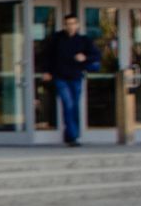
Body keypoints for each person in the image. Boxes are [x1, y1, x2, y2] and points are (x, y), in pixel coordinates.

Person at [39, 13, 98, 146]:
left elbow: (96, 55)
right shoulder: (57, 39)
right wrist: (47, 71)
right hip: (60, 77)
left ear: (77, 25)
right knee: (68, 105)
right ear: (64, 25)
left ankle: (70, 134)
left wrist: (85, 58)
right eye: (68, 24)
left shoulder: (84, 40)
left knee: (74, 106)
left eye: (73, 23)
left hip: (76, 77)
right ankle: (72, 137)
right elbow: (47, 55)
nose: (71, 26)